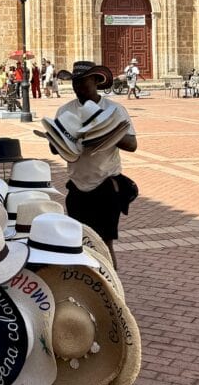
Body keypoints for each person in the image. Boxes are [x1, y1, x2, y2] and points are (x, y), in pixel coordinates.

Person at [55, 60, 138, 267]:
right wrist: (68, 139)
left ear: (95, 81)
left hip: (106, 184)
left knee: (104, 243)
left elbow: (132, 144)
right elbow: (54, 148)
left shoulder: (114, 110)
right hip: (77, 185)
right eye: (75, 83)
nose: (79, 88)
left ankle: (111, 286)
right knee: (80, 240)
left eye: (83, 82)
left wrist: (105, 131)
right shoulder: (65, 111)